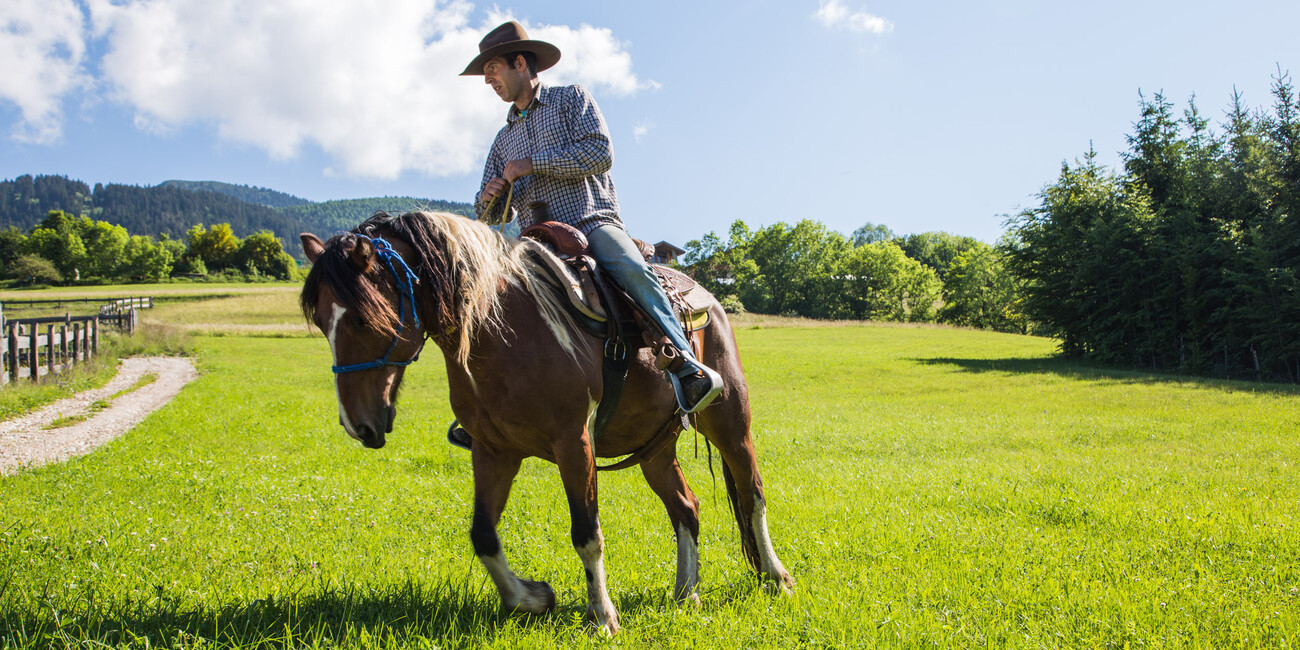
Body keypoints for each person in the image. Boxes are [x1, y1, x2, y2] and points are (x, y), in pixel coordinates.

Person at [462, 20, 722, 416]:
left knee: (629, 267)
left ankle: (686, 365)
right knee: (489, 299)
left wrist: (532, 164)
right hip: (531, 241)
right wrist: (489, 197)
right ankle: (489, 411)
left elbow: (600, 153)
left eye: (492, 69)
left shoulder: (571, 100)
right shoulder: (502, 140)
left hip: (590, 222)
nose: (487, 81)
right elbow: (494, 214)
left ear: (519, 63)